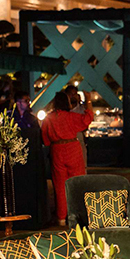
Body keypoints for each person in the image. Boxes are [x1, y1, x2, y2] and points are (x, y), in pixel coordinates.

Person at [42, 90, 94, 225]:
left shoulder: (49, 118)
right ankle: (78, 215)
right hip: (72, 148)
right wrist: (88, 101)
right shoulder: (72, 116)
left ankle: (61, 217)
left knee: (60, 186)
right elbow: (87, 119)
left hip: (57, 150)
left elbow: (45, 140)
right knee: (77, 183)